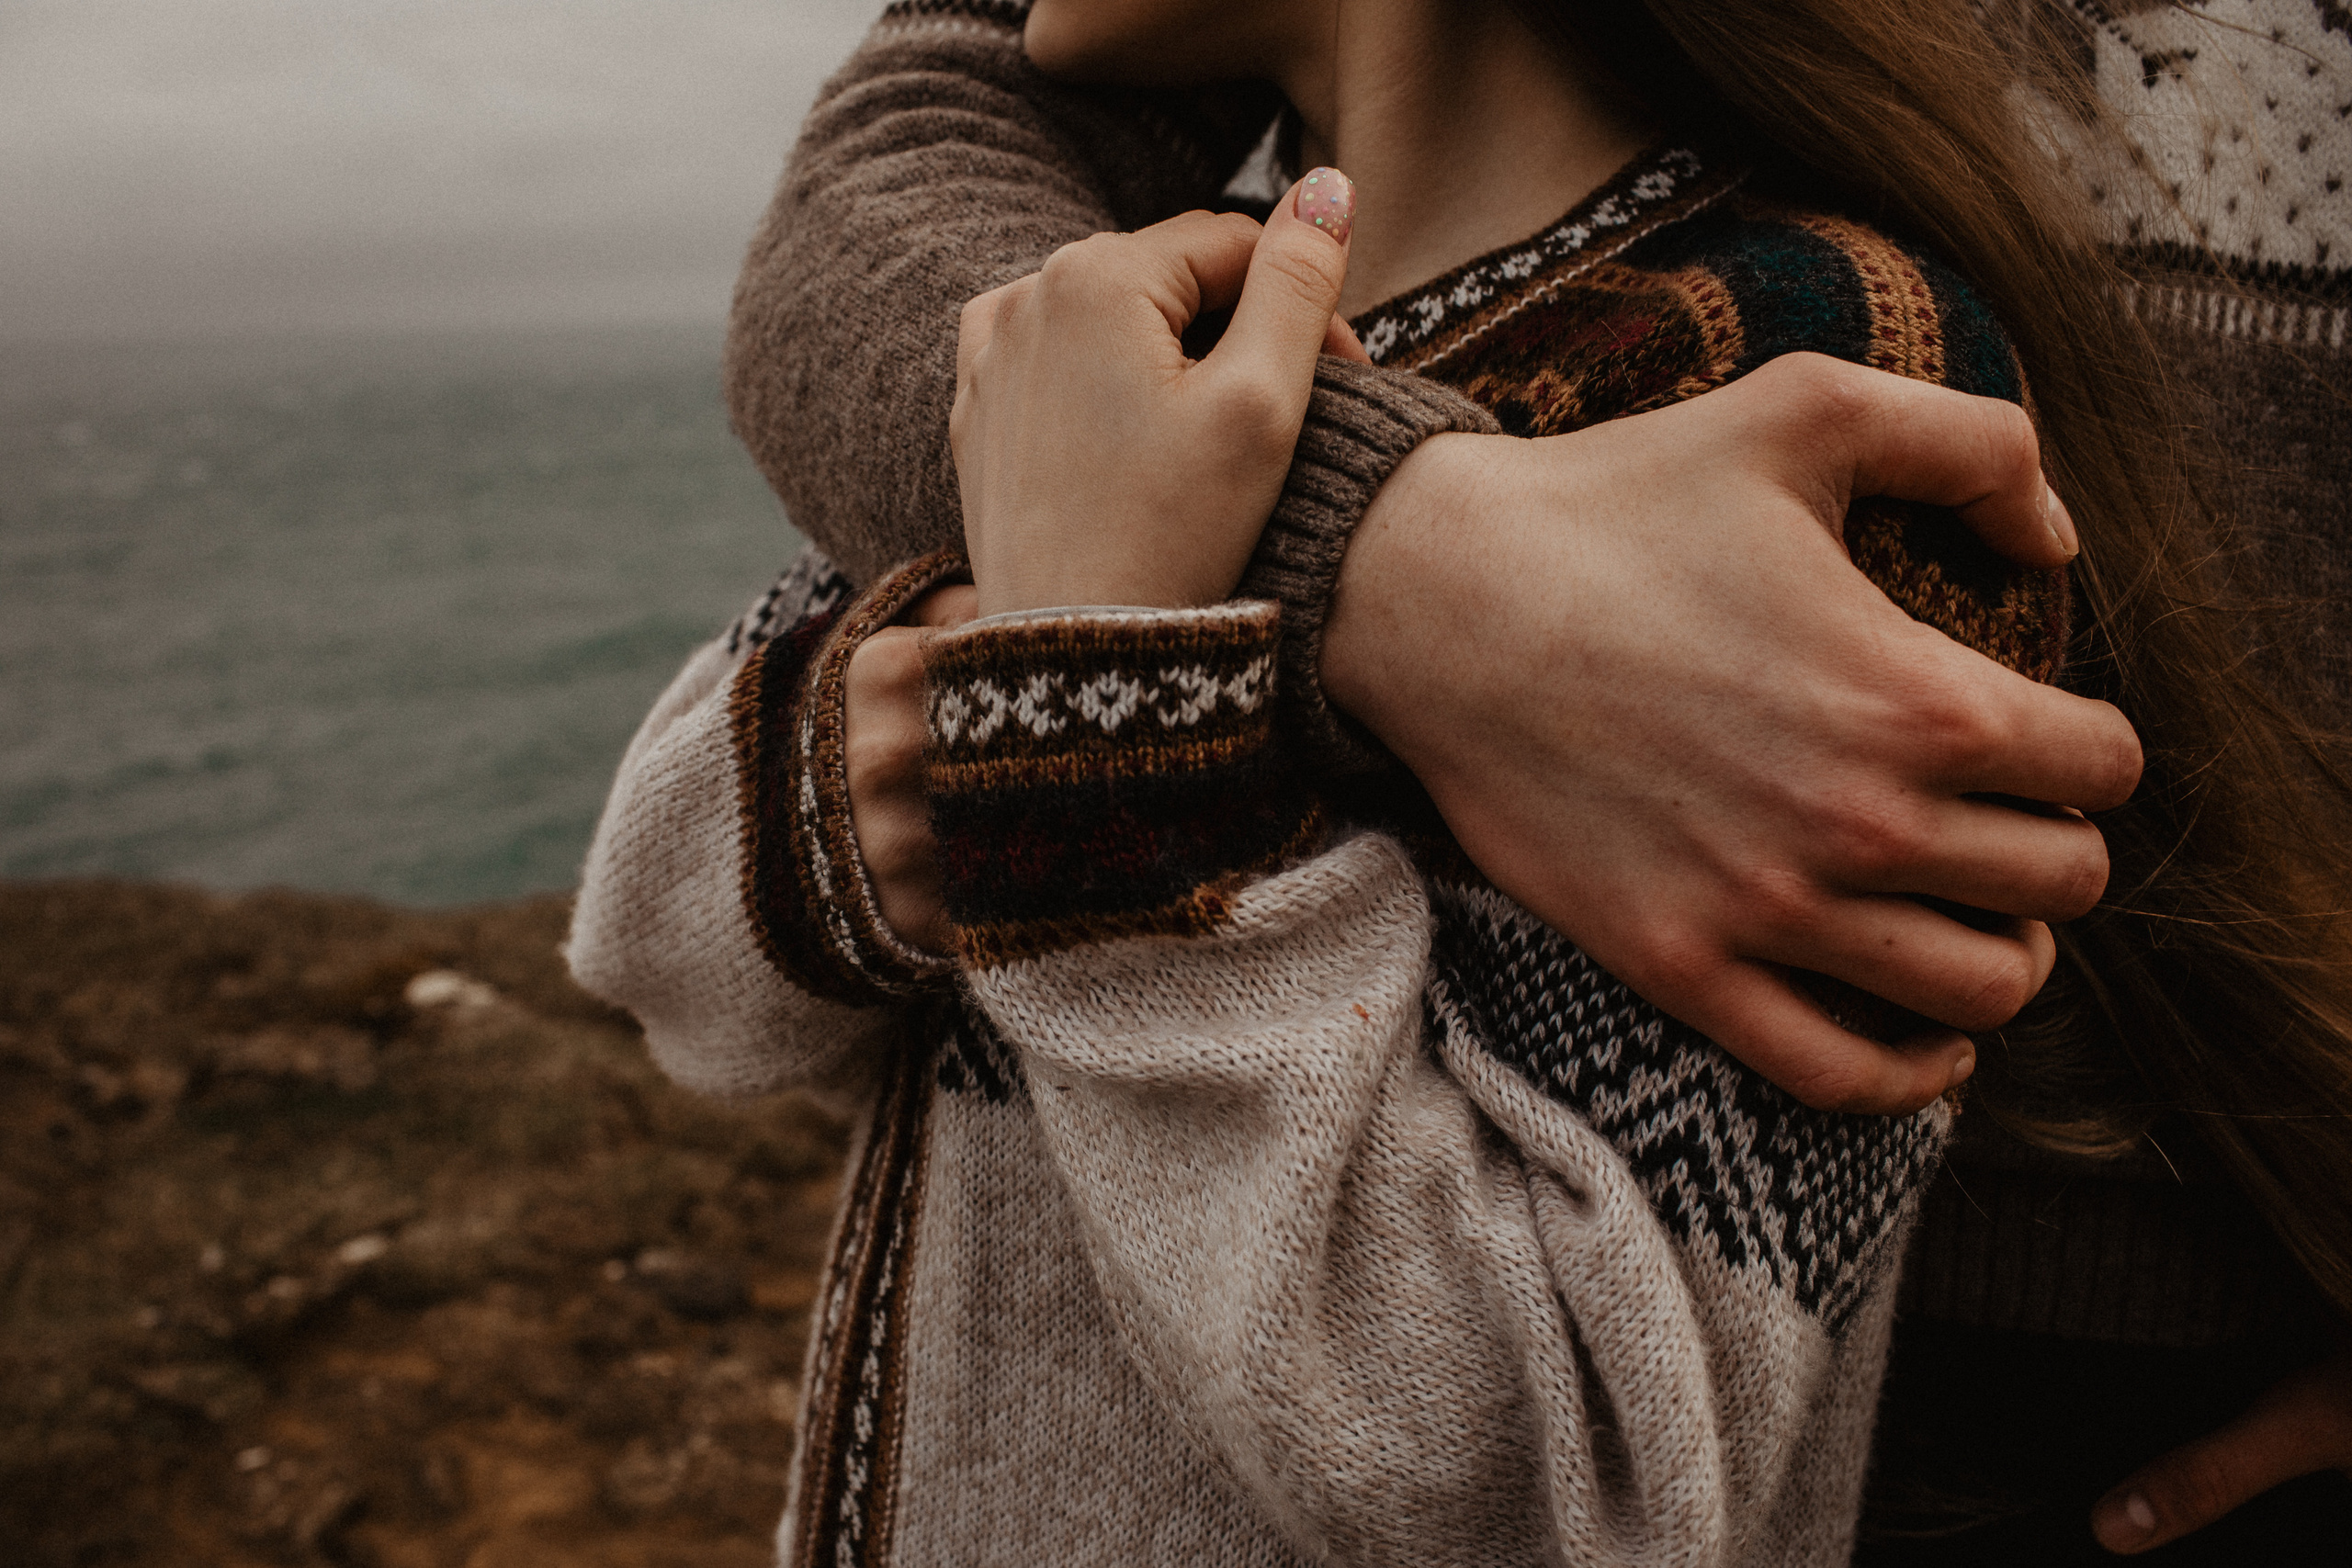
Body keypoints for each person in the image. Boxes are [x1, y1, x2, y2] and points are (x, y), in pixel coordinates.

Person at [570, 0, 2352, 1561]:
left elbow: (1538, 1486)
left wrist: (1098, 747)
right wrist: (1052, 713)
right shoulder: (1186, 322)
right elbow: (655, 937)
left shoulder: (1788, 367)